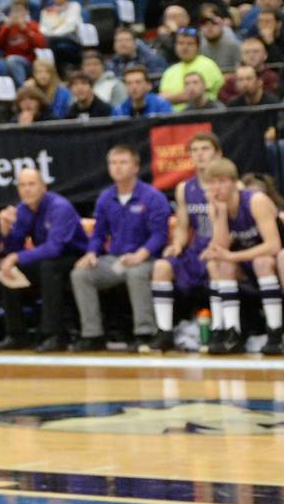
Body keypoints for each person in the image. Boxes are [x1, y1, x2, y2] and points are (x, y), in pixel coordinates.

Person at [70, 144, 168, 352]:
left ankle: (144, 333)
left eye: (123, 162)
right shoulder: (106, 197)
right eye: (113, 163)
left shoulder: (152, 197)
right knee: (80, 274)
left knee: (136, 273)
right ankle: (92, 334)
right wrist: (91, 253)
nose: (118, 167)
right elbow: (98, 234)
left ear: (135, 166)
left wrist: (140, 255)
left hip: (147, 259)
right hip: (115, 260)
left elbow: (160, 236)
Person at [193, 158, 282, 356]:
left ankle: (275, 332)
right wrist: (221, 213)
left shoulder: (255, 200)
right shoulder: (216, 206)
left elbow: (274, 245)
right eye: (213, 182)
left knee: (262, 262)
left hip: (274, 257)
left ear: (234, 182)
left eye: (223, 181)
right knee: (221, 265)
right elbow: (220, 247)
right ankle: (232, 333)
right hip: (248, 259)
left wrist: (232, 256)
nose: (218, 187)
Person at [0, 167, 82, 351]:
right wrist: (5, 230)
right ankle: (16, 334)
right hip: (47, 260)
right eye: (22, 185)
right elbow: (13, 248)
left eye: (32, 184)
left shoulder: (59, 207)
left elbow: (55, 248)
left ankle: (54, 335)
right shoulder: (23, 209)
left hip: (74, 258)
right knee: (7, 269)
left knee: (48, 267)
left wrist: (16, 257)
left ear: (44, 186)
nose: (27, 189)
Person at [151, 130, 224, 351]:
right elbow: (183, 226)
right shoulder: (185, 188)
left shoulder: (227, 185)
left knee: (215, 266)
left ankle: (220, 330)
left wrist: (219, 248)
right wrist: (177, 244)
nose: (199, 155)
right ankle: (164, 332)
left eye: (205, 149)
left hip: (223, 248)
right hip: (197, 248)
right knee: (162, 266)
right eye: (194, 150)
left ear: (218, 154)